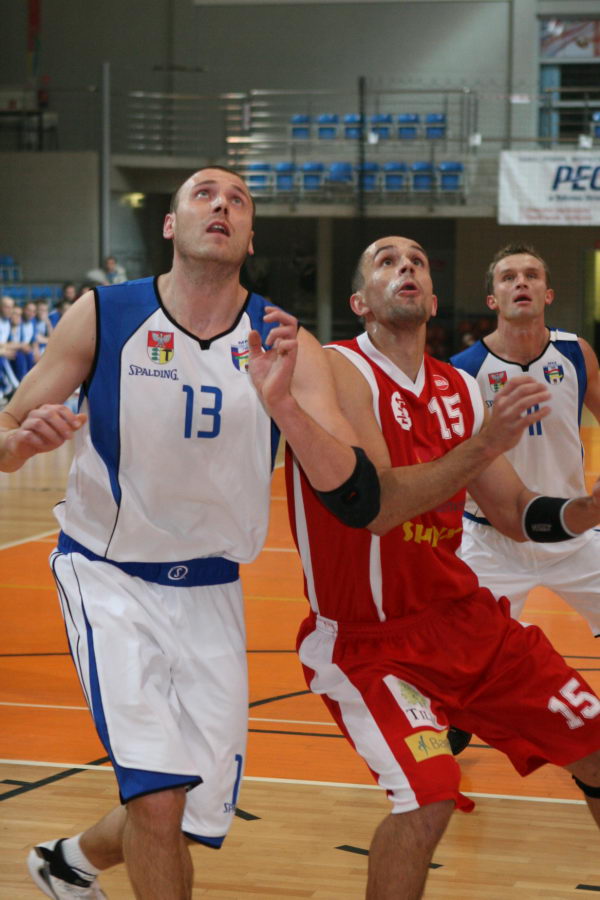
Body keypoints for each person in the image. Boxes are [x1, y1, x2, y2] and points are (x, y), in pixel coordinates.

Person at [0, 166, 366, 900]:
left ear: (250, 236)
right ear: (171, 225)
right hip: (108, 575)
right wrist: (17, 444)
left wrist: (287, 407)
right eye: (204, 194)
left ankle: (69, 862)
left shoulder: (284, 341)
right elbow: (7, 429)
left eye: (238, 200)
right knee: (160, 800)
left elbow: (351, 484)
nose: (221, 205)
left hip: (211, 589)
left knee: (188, 815)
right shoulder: (104, 315)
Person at [285, 234, 600, 900]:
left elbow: (515, 512)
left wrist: (588, 509)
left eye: (418, 262)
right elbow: (377, 506)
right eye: (386, 261)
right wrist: (484, 444)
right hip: (371, 643)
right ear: (360, 301)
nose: (406, 266)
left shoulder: (459, 388)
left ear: (432, 299)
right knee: (429, 796)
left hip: (463, 621)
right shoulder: (338, 371)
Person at [450, 243, 600, 637]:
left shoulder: (576, 353)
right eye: (508, 277)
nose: (521, 283)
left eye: (531, 276)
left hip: (571, 529)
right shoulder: (463, 371)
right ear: (493, 299)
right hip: (491, 540)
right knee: (470, 648)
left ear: (547, 294)